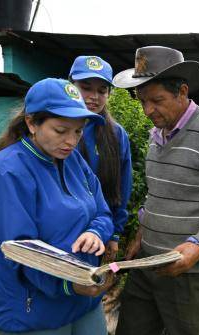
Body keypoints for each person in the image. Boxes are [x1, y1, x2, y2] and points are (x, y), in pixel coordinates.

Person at [112, 46, 199, 335]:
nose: (148, 111)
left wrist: (198, 246)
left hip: (192, 272)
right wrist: (141, 233)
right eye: (142, 101)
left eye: (157, 101)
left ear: (182, 91)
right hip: (147, 263)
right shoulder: (156, 135)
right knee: (131, 333)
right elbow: (158, 193)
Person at [0, 78, 115, 335]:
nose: (71, 141)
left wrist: (96, 232)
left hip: (84, 301)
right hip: (36, 311)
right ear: (31, 123)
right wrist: (68, 284)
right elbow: (20, 251)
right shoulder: (5, 173)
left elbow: (102, 212)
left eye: (78, 131)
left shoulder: (72, 159)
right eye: (61, 130)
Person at [69, 56, 132, 262]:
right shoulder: (54, 129)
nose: (93, 96)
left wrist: (114, 233)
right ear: (71, 85)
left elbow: (122, 187)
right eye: (86, 87)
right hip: (62, 230)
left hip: (99, 231)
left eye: (102, 90)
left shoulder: (116, 134)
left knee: (91, 285)